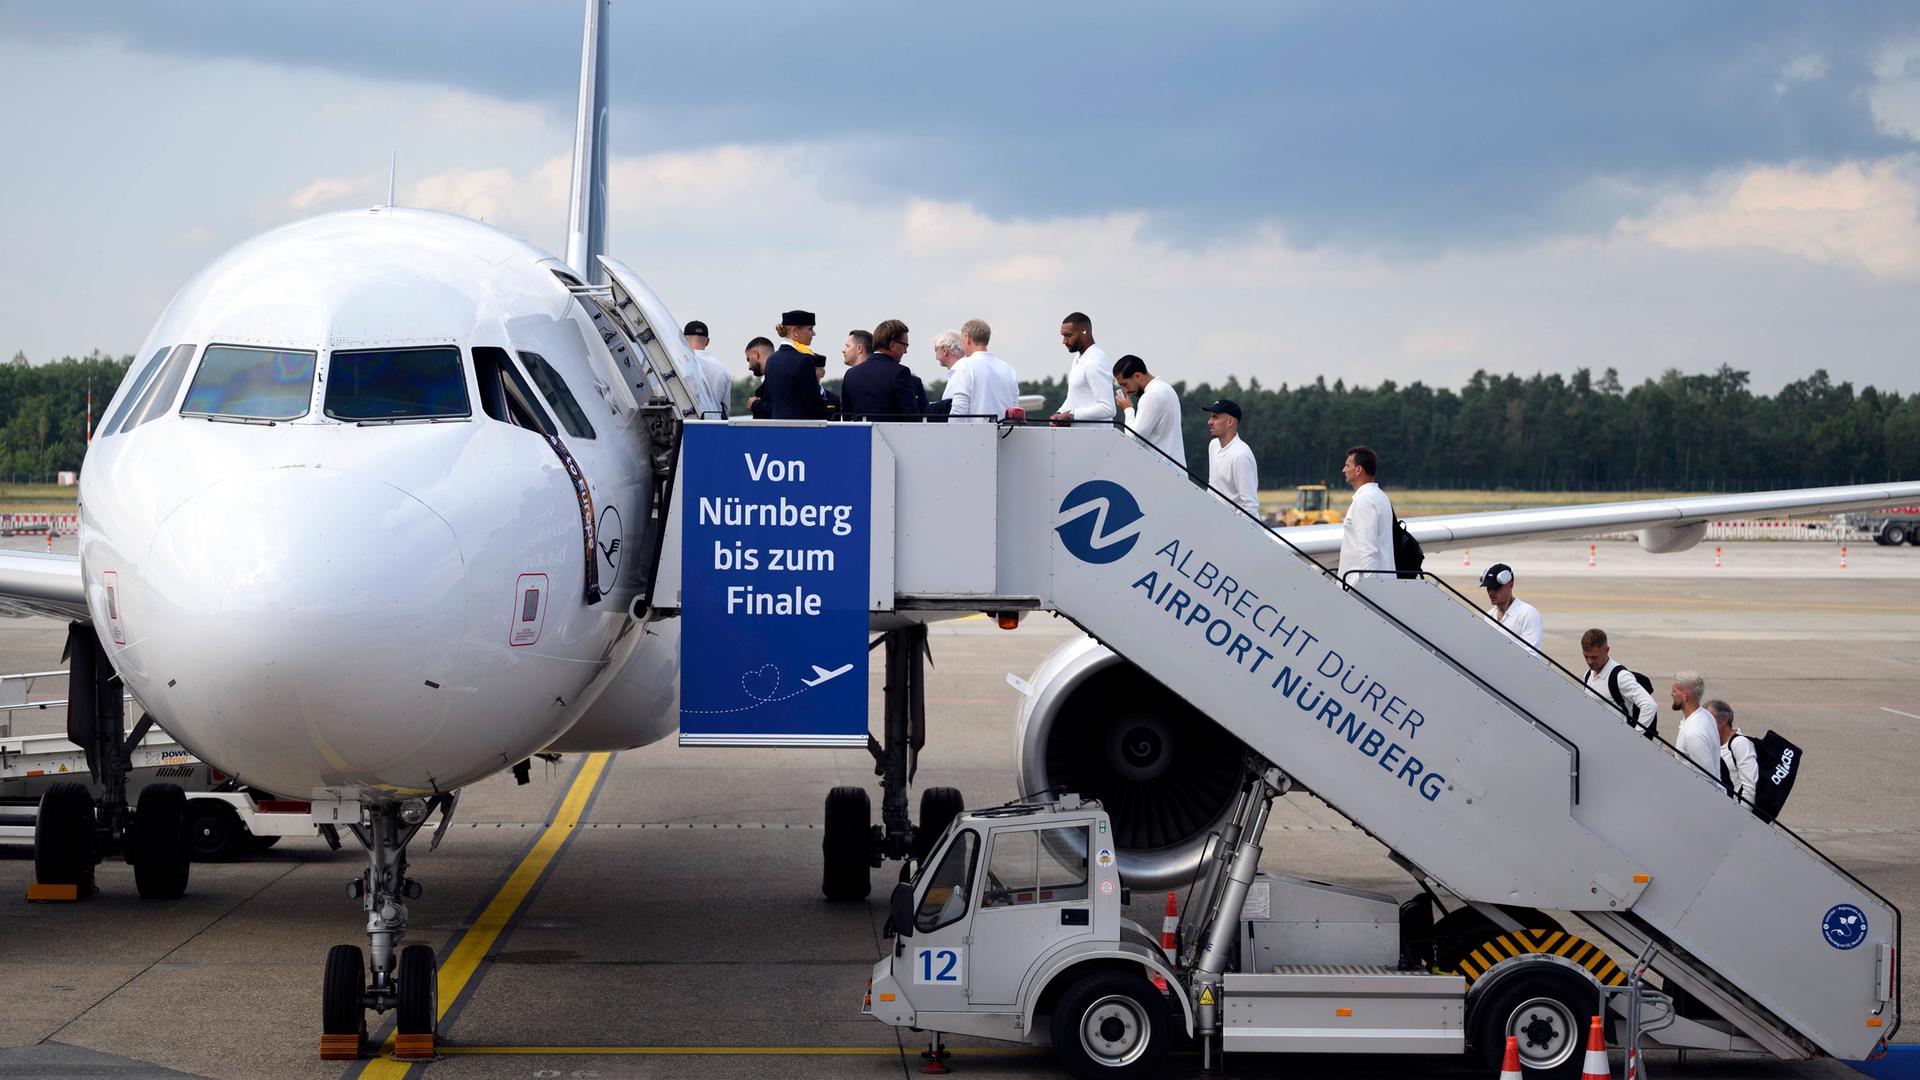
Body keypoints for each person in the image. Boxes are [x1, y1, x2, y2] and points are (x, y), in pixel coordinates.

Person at [841, 319, 928, 420]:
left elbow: (847, 419)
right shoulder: (900, 372)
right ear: (892, 345)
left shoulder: (851, 374)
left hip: (860, 430)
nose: (905, 351)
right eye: (905, 345)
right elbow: (911, 417)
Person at [1580, 628, 1658, 737]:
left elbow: (1649, 705)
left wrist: (1635, 737)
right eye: (1586, 656)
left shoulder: (1621, 677)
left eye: (1594, 657)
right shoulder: (1587, 675)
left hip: (1618, 742)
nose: (1589, 661)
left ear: (1606, 650)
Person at [1113, 354, 1184, 467]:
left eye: (1125, 384)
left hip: (1162, 471)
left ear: (1137, 376)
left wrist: (1128, 409)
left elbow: (1133, 439)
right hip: (1174, 470)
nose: (1125, 390)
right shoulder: (1166, 389)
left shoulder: (1151, 396)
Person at [945, 318, 1020, 422]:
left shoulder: (964, 366)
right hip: (1004, 431)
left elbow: (959, 409)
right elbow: (1014, 410)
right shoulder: (1009, 370)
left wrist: (950, 430)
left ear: (967, 338)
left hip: (975, 432)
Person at [1336, 445, 1393, 578]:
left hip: (1360, 587)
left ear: (1358, 470)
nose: (1343, 470)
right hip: (1382, 582)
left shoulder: (1364, 500)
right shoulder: (1380, 496)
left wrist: (1369, 587)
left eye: (1347, 466)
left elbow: (1367, 550)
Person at [763, 310, 828, 420]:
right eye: (810, 329)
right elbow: (814, 404)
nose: (813, 333)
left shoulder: (771, 360)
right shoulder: (803, 361)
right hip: (801, 426)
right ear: (795, 331)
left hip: (777, 424)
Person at [1052, 312, 1115, 423]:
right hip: (1080, 432)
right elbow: (1073, 398)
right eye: (1063, 336)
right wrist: (1059, 414)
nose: (1064, 341)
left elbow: (1108, 408)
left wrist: (1071, 415)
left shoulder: (1095, 361)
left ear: (1085, 331)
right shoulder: (1079, 358)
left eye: (1068, 335)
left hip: (1095, 433)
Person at [1203, 399, 1259, 516]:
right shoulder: (1213, 446)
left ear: (1229, 422)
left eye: (1215, 417)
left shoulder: (1241, 455)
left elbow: (1250, 506)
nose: (1209, 422)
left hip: (1237, 526)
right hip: (1217, 522)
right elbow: (1212, 487)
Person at [1480, 563, 1542, 650]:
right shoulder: (1488, 616)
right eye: (1489, 587)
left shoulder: (1527, 614)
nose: (1491, 592)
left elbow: (1532, 654)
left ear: (1511, 585)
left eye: (1496, 588)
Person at [1709, 699, 1760, 804]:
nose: (1704, 723)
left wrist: (1741, 812)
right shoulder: (1712, 745)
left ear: (1724, 720)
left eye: (1709, 719)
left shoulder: (1740, 744)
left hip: (1735, 809)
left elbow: (1750, 789)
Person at [1671, 671, 1719, 775]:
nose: (1672, 694)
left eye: (1674, 691)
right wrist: (1676, 755)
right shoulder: (1706, 715)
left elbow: (1706, 778)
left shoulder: (1693, 734)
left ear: (1685, 697)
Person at [682, 320, 732, 418]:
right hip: (713, 424)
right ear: (707, 341)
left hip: (684, 424)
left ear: (684, 340)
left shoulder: (680, 364)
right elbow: (726, 410)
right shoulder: (722, 370)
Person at [743, 336, 774, 419]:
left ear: (756, 353)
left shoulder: (777, 377)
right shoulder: (771, 378)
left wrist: (755, 404)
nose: (749, 367)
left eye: (748, 359)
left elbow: (780, 411)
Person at [814, 353, 842, 420]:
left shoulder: (833, 399)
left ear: (823, 373)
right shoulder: (796, 396)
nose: (809, 372)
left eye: (814, 369)